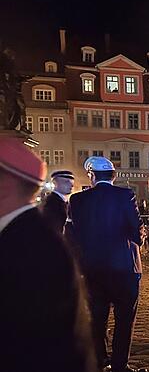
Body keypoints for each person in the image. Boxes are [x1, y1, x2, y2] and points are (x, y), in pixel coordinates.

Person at [0, 138, 96, 372]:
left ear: (7, 184)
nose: (71, 185)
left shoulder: (31, 244)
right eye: (67, 181)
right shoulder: (26, 232)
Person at [69, 156, 147, 372]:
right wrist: (138, 239)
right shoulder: (125, 195)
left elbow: (73, 236)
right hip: (124, 268)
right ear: (113, 176)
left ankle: (100, 361)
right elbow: (136, 228)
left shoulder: (77, 200)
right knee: (124, 321)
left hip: (93, 269)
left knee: (96, 319)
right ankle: (120, 365)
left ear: (92, 176)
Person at [40, 169, 75, 234]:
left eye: (72, 182)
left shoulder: (63, 201)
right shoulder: (51, 204)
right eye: (66, 182)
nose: (71, 185)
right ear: (55, 183)